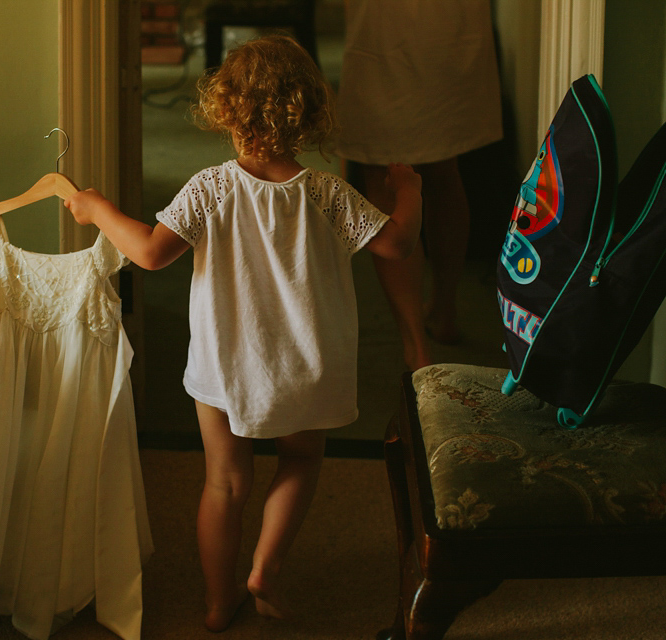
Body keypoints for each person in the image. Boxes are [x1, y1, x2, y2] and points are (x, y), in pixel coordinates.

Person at [65, 35, 422, 632]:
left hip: (225, 367)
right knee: (302, 459)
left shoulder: (210, 188)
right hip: (308, 365)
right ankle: (265, 569)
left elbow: (151, 255)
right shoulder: (329, 193)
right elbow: (398, 244)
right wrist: (409, 191)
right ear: (308, 114)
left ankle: (215, 602)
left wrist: (97, 208)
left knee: (224, 483)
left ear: (225, 111)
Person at [336, 0, 504, 368]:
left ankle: (416, 344)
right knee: (443, 165)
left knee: (384, 173)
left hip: (382, 28)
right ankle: (444, 311)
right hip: (450, 24)